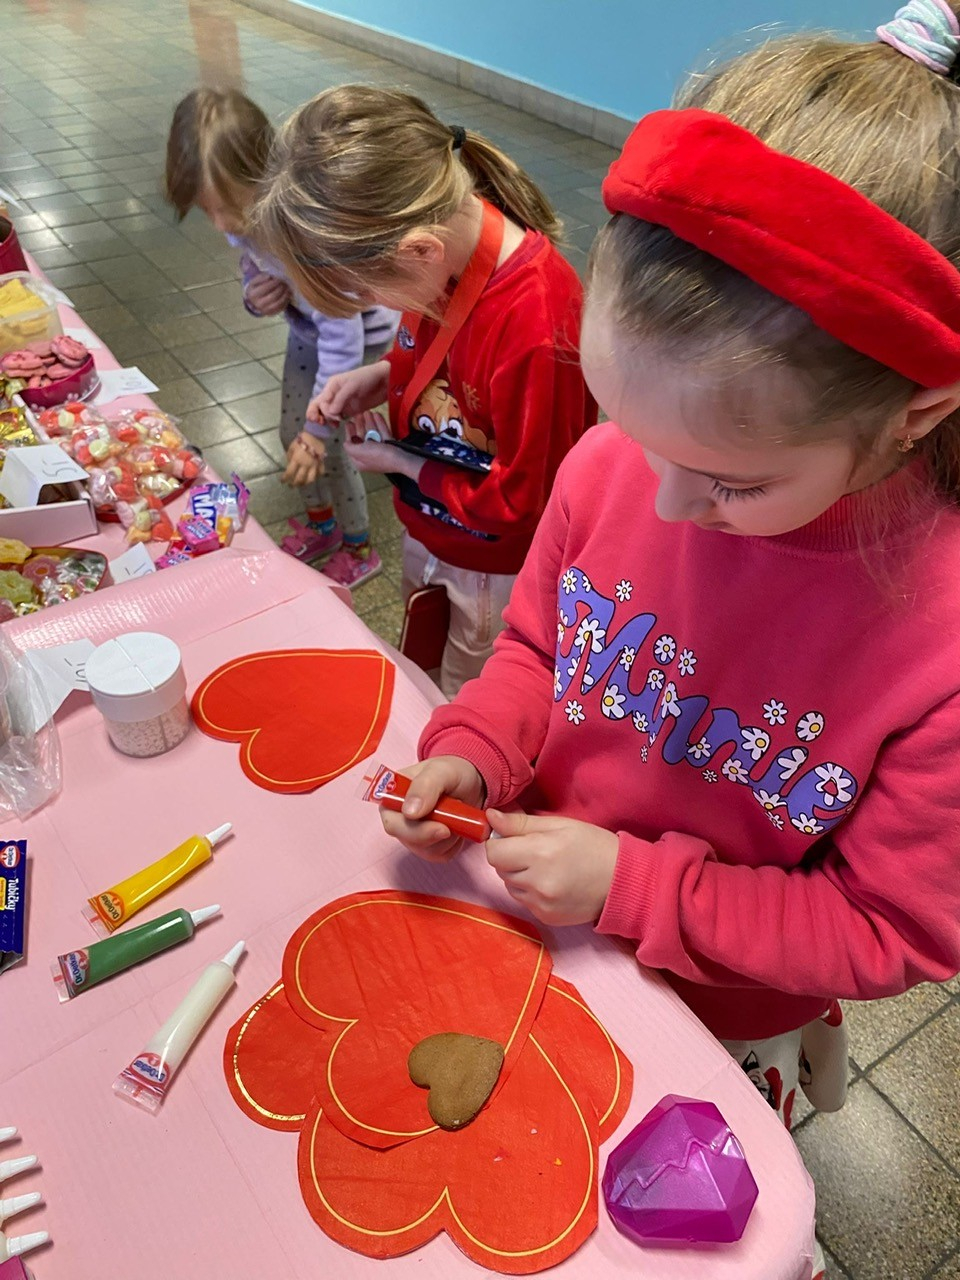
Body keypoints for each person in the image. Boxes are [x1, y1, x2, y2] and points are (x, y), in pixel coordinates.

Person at [379, 5, 960, 1275]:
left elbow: (891, 928)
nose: (665, 499)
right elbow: (537, 650)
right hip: (545, 923)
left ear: (914, 417)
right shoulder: (615, 463)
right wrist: (475, 747)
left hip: (720, 1007)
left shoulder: (938, 639)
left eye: (731, 481)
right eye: (634, 432)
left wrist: (636, 887)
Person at [255, 85, 595, 695]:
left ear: (419, 251)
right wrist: (380, 376)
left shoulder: (537, 326)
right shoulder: (443, 257)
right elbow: (438, 358)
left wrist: (401, 464)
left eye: (365, 294)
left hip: (491, 565)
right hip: (438, 526)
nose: (371, 307)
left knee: (467, 692)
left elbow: (524, 501)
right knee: (427, 655)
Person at [164, 88, 397, 587]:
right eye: (207, 210)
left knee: (328, 446)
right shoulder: (247, 217)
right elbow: (253, 264)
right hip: (311, 330)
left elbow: (344, 341)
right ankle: (323, 526)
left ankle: (359, 548)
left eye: (229, 206)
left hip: (357, 343)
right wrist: (255, 294)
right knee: (291, 434)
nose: (223, 225)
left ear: (266, 175)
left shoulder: (308, 239)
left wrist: (318, 432)